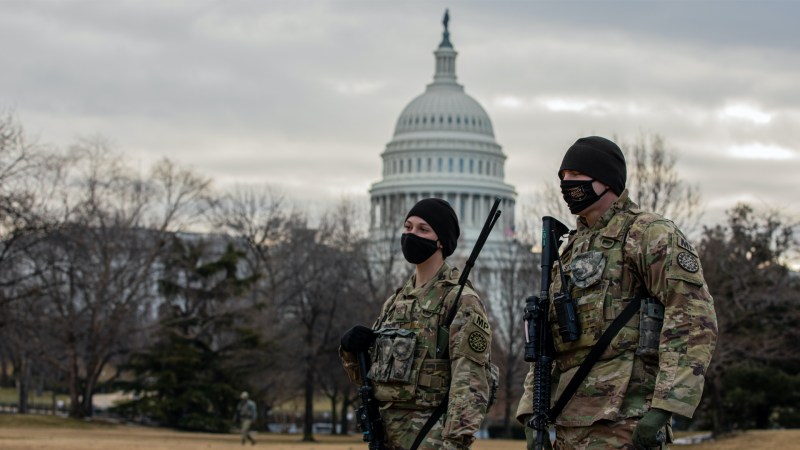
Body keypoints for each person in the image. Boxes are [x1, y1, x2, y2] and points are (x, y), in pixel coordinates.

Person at [516, 136, 718, 449]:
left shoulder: (648, 233)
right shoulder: (569, 250)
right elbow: (549, 345)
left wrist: (665, 406)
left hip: (627, 420)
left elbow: (692, 318)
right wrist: (532, 409)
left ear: (606, 180)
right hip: (569, 424)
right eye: (563, 177)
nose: (566, 184)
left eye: (575, 175)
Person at [339, 198, 494, 450]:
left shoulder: (459, 300)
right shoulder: (395, 302)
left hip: (430, 438)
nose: (411, 235)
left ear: (441, 241)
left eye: (423, 229)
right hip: (387, 438)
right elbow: (371, 380)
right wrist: (350, 350)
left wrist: (454, 444)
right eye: (408, 227)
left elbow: (470, 383)